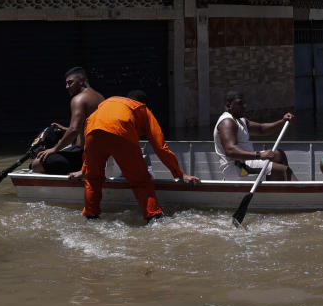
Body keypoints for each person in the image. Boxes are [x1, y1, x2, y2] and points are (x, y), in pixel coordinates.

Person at [68, 92, 200, 221]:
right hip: (120, 131)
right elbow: (160, 147)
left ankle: (91, 217)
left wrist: (83, 171)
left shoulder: (109, 103)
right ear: (145, 104)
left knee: (92, 179)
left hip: (92, 131)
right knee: (141, 180)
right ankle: (154, 217)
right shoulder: (143, 109)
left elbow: (88, 146)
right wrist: (179, 174)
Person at [32, 67, 104, 174]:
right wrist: (66, 129)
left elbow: (74, 130)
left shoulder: (79, 99)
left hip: (85, 156)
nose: (67, 87)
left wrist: (54, 149)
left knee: (37, 163)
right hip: (97, 153)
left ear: (82, 80)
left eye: (70, 83)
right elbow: (87, 127)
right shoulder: (99, 97)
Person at [213, 91, 295, 180]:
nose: (244, 106)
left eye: (244, 103)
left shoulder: (240, 120)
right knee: (285, 171)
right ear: (229, 105)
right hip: (238, 169)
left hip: (246, 162)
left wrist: (282, 122)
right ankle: (298, 192)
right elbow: (231, 150)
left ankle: (278, 189)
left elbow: (261, 129)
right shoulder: (227, 122)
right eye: (240, 103)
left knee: (279, 155)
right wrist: (259, 155)